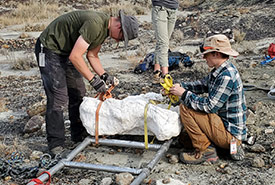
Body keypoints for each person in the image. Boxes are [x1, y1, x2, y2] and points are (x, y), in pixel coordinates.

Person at [34, 10, 139, 156]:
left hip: (67, 51)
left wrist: (104, 75)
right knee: (59, 97)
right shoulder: (95, 24)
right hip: (49, 48)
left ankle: (78, 135)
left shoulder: (104, 30)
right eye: (122, 38)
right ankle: (56, 146)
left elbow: (92, 55)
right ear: (119, 26)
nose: (118, 41)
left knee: (78, 92)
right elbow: (76, 56)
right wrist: (93, 80)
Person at [169, 34, 247, 164]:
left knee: (186, 108)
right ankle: (215, 144)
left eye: (207, 54)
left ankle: (205, 151)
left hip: (230, 134)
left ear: (216, 54)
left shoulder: (226, 76)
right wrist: (180, 87)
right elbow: (202, 85)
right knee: (185, 136)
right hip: (226, 127)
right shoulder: (221, 70)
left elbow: (210, 106)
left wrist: (183, 94)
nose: (204, 58)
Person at [151, 0, 179, 84]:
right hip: (160, 8)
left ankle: (156, 72)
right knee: (163, 43)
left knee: (162, 42)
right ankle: (165, 76)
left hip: (173, 8)